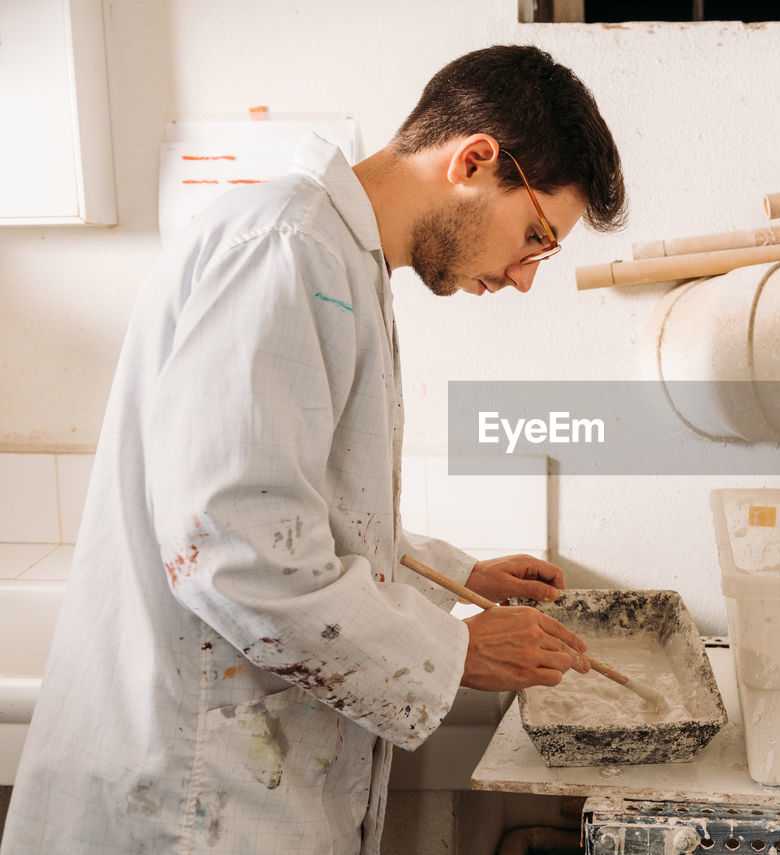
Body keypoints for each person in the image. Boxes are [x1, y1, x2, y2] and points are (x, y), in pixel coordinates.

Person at [1, 44, 626, 854]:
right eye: (535, 235)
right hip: (189, 800)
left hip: (231, 789)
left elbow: (299, 509)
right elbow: (236, 549)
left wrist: (454, 576)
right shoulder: (287, 251)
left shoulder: (335, 259)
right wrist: (456, 647)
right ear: (474, 160)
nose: (524, 276)